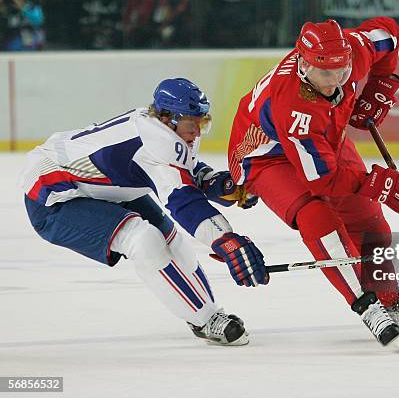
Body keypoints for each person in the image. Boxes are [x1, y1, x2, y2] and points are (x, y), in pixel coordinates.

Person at [228, 18, 399, 347]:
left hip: (322, 140)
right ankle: (367, 305)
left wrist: (380, 85)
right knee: (316, 213)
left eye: (342, 73)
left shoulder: (349, 52)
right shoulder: (294, 108)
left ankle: (392, 303)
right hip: (265, 155)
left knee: (369, 222)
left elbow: (389, 32)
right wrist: (384, 185)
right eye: (325, 74)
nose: (335, 83)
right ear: (304, 65)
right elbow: (324, 181)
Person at [19, 78, 267, 346]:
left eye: (202, 123)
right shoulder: (155, 143)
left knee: (171, 239)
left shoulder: (167, 129)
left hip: (102, 188)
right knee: (143, 240)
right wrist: (224, 239)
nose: (197, 131)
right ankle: (205, 320)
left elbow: (187, 169)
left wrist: (219, 183)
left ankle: (207, 314)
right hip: (52, 199)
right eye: (191, 123)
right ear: (167, 118)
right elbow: (183, 201)